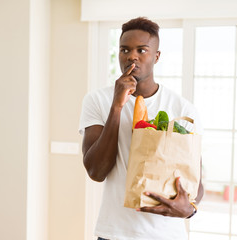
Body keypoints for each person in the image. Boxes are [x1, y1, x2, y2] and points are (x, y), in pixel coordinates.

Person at [79, 17, 204, 240]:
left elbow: (196, 180)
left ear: (156, 57)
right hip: (115, 233)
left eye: (142, 50)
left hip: (167, 234)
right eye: (124, 49)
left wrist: (190, 210)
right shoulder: (97, 100)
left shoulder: (183, 108)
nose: (131, 56)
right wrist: (117, 106)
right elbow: (96, 171)